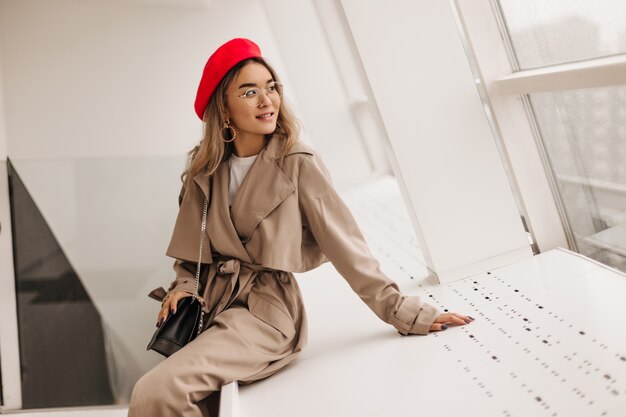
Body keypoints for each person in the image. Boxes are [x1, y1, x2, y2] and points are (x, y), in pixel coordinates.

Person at [127, 38, 474, 417]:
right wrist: (183, 287)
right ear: (223, 108)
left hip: (264, 312)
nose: (267, 101)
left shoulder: (297, 162)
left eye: (271, 87)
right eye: (249, 91)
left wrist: (403, 311)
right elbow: (191, 256)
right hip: (212, 307)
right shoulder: (204, 173)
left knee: (154, 392)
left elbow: (347, 248)